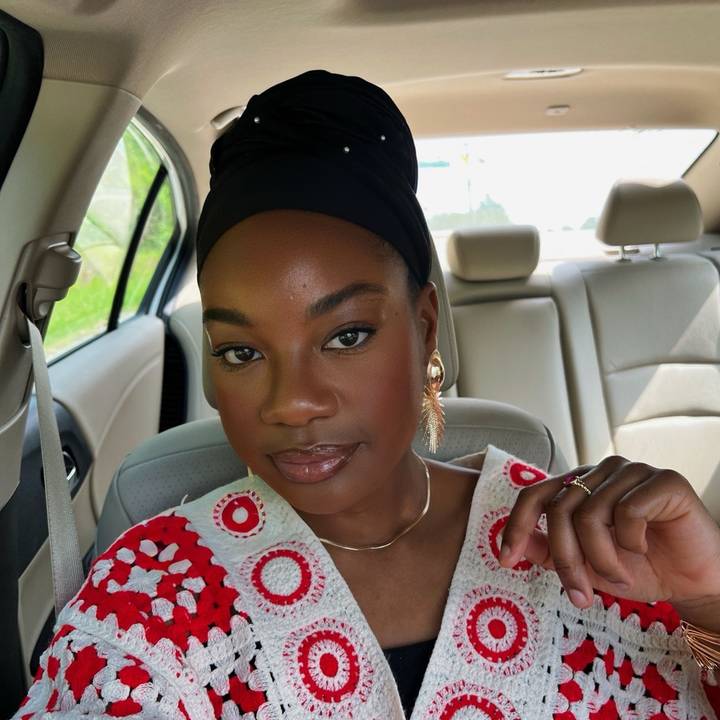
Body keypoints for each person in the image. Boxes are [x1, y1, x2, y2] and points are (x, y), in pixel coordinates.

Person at [12, 69, 720, 720]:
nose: (291, 403)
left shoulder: (582, 551)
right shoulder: (150, 592)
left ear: (425, 326)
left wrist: (710, 602)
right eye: (241, 352)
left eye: (346, 336)